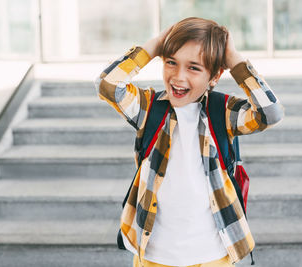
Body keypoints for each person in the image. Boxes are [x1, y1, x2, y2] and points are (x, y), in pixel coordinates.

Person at [95, 17, 284, 267]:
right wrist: (152, 47)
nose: (178, 77)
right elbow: (107, 85)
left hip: (213, 255)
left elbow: (269, 113)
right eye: (171, 62)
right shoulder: (148, 108)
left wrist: (235, 61)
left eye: (194, 67)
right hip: (155, 255)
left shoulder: (223, 113)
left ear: (215, 75)